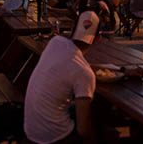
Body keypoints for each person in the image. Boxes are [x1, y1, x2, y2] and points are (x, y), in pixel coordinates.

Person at [24, 11, 101, 144]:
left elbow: (74, 66)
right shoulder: (84, 73)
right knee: (97, 120)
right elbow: (83, 131)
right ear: (98, 38)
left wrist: (123, 71)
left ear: (72, 28)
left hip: (31, 130)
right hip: (54, 138)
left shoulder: (55, 43)